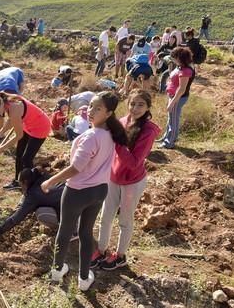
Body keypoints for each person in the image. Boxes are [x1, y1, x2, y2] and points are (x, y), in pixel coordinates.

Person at [41, 91, 127, 291]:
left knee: (65, 231)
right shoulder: (111, 134)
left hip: (77, 191)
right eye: (90, 106)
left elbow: (76, 168)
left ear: (108, 113)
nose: (91, 111)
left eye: (98, 108)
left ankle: (57, 270)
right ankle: (83, 279)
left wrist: (50, 182)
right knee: (86, 232)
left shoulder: (90, 137)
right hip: (99, 191)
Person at [93, 90, 160, 271]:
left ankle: (120, 255)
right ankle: (101, 249)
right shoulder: (122, 122)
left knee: (125, 220)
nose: (135, 108)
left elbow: (133, 162)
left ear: (147, 108)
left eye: (141, 105)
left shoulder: (148, 131)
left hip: (132, 182)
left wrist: (118, 142)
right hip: (113, 178)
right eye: (132, 104)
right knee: (105, 216)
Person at [0, 92, 52, 190]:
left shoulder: (14, 109)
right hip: (28, 125)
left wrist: (2, 148)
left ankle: (33, 185)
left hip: (40, 127)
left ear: (1, 104)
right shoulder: (7, 101)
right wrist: (1, 132)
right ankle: (18, 181)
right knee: (19, 154)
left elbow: (18, 135)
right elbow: (10, 121)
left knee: (26, 158)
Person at [0, 168, 64, 241]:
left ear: (25, 182)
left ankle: (70, 230)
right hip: (72, 197)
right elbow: (26, 197)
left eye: (21, 185)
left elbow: (16, 218)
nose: (21, 187)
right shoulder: (41, 176)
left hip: (71, 212)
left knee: (41, 213)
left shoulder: (34, 194)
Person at [159, 47, 195, 149]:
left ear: (180, 58)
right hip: (172, 96)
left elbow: (182, 88)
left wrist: (172, 102)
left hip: (178, 98)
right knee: (171, 118)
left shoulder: (186, 71)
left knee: (174, 120)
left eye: (174, 58)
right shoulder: (180, 67)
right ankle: (166, 137)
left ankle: (170, 142)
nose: (172, 59)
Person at [0, 63, 25, 129]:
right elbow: (21, 87)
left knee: (0, 113)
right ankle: (17, 132)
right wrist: (18, 97)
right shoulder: (17, 70)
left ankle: (0, 134)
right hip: (11, 89)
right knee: (13, 113)